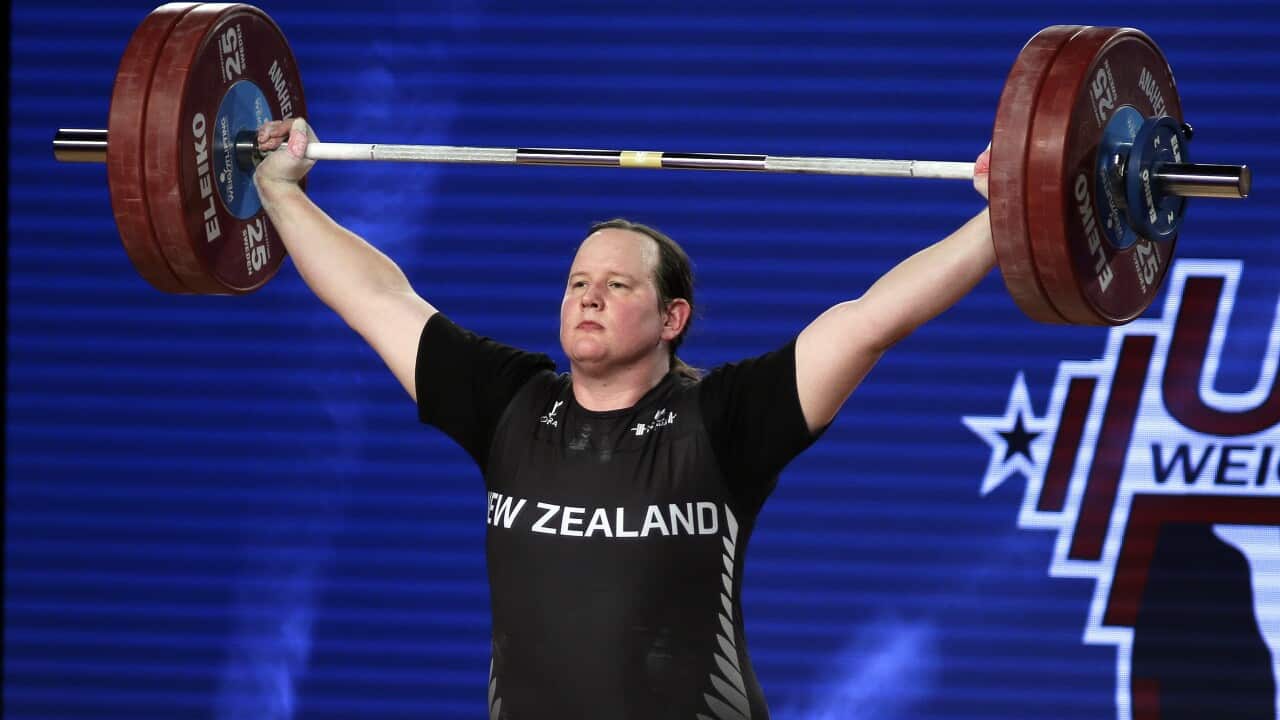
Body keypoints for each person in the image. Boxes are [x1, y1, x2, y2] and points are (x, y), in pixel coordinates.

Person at [253, 117, 995, 720]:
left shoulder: (725, 418)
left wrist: (1004, 221)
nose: (588, 297)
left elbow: (869, 321)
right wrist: (283, 195)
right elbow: (378, 298)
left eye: (616, 283)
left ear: (674, 317)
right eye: (577, 281)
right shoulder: (510, 400)